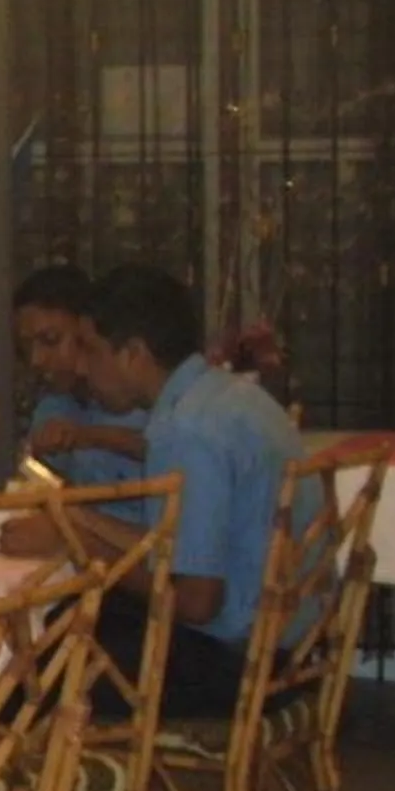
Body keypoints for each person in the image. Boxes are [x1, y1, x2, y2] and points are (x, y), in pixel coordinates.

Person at [50, 263, 308, 720]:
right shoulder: (233, 397)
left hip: (240, 663)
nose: (81, 367)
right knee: (76, 618)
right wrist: (72, 519)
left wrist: (84, 543)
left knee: (39, 662)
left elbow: (196, 601)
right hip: (297, 645)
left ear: (133, 354)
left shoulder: (186, 429)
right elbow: (180, 544)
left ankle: (39, 784)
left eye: (91, 351)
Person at [14, 262, 150, 522]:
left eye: (51, 341)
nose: (36, 360)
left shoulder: (139, 395)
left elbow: (166, 450)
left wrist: (89, 437)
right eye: (25, 348)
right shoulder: (53, 408)